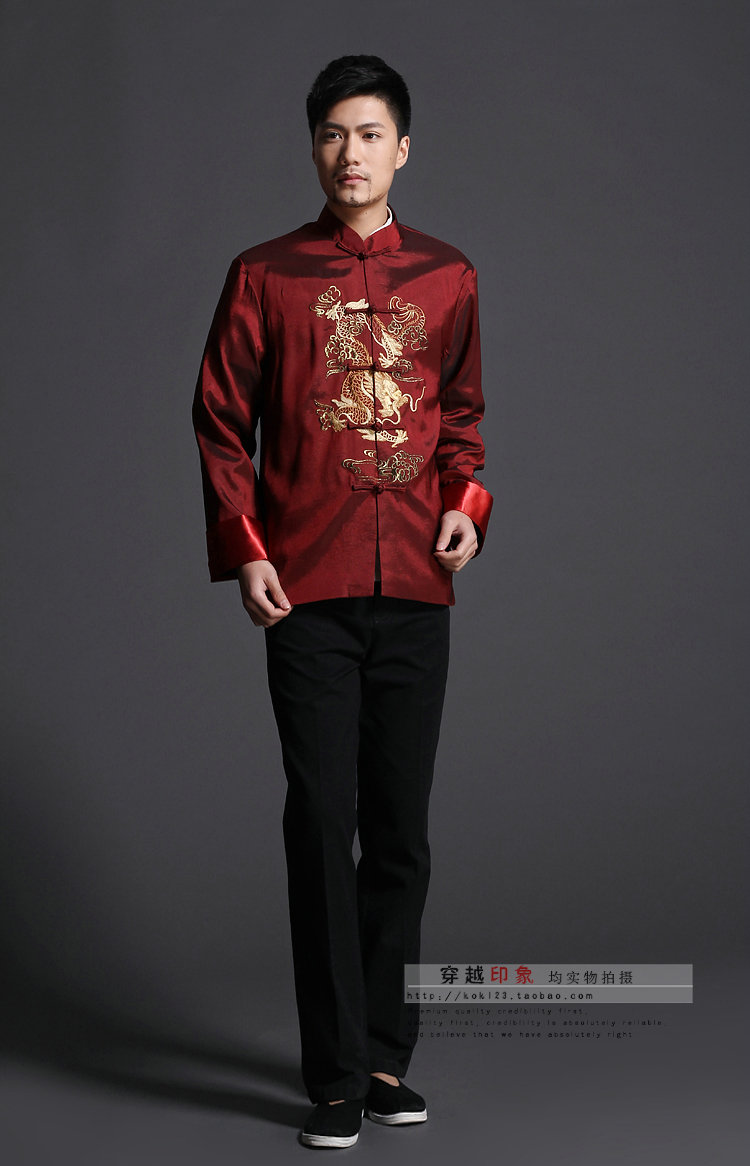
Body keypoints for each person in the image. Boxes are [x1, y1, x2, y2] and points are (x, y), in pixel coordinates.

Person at [192, 54, 493, 1150]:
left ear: (402, 148)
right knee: (323, 822)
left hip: (416, 586)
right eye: (331, 134)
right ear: (313, 148)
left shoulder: (449, 276)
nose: (349, 153)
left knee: (401, 829)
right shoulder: (264, 275)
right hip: (307, 590)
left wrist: (468, 508)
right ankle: (330, 1073)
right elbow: (221, 421)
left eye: (368, 134)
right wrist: (246, 548)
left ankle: (383, 1057)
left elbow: (463, 419)